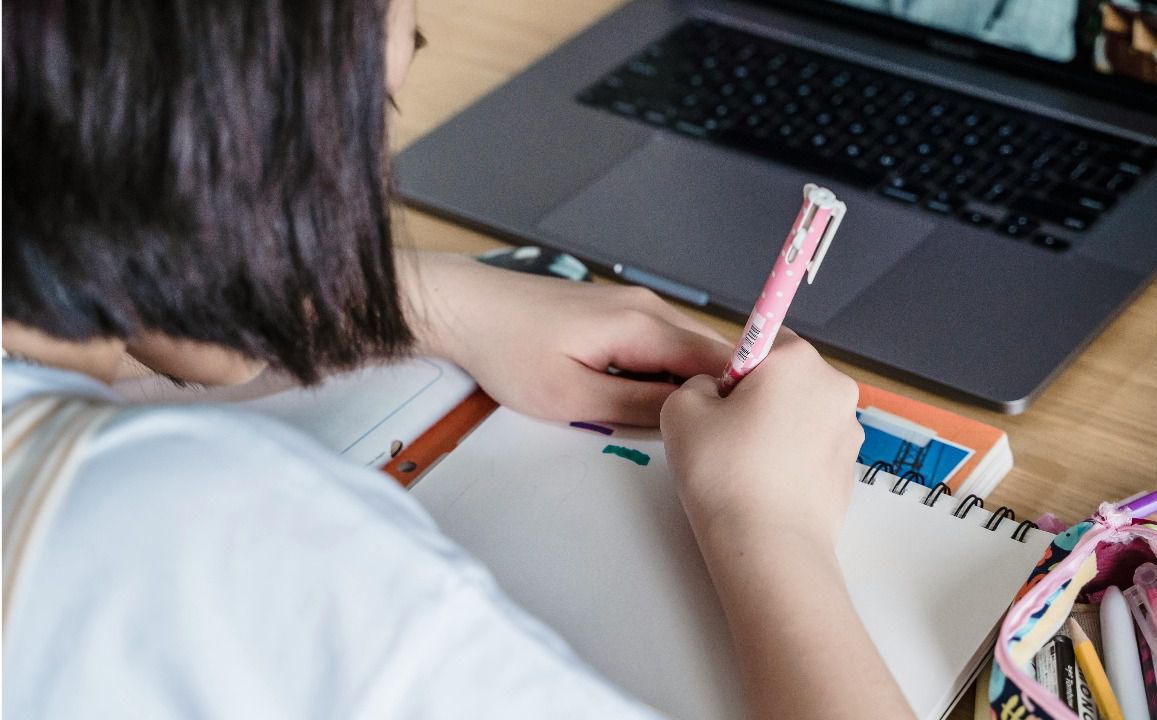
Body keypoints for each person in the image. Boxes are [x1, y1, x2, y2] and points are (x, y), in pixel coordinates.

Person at [1, 0, 911, 717]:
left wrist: (422, 298)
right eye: (368, 107)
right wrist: (770, 531)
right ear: (215, 113)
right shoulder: (210, 535)